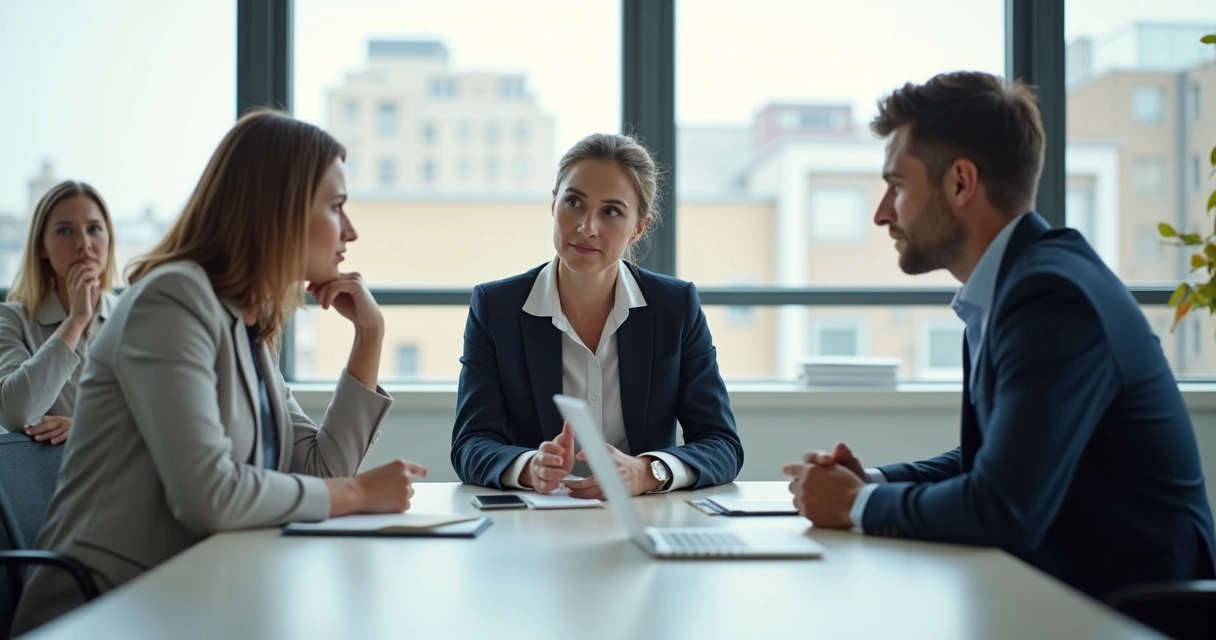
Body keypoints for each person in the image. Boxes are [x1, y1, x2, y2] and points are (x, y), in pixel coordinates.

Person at [782, 71, 1216, 607]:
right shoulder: (1015, 283)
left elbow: (1002, 509)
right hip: (1065, 594)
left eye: (897, 186)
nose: (882, 213)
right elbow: (992, 460)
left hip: (1134, 613)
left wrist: (855, 505)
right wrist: (868, 481)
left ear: (960, 183)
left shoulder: (1051, 296)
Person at [12, 109, 426, 635]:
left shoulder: (245, 321)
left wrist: (369, 336)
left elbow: (320, 471)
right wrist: (359, 494)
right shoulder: (173, 299)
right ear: (280, 208)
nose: (350, 230)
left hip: (193, 598)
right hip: (105, 612)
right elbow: (210, 495)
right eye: (336, 206)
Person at [451, 133, 743, 498]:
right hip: (535, 516)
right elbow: (471, 443)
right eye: (574, 202)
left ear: (639, 227)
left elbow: (722, 445)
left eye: (611, 212)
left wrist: (647, 471)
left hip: (641, 513)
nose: (587, 227)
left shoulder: (675, 306)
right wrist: (528, 467)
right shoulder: (497, 308)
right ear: (554, 203)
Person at [0, 180, 119, 443]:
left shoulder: (132, 315)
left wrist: (85, 428)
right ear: (42, 246)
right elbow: (15, 414)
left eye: (94, 229)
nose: (84, 243)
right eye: (65, 230)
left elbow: (159, 417)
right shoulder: (11, 318)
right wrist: (76, 321)